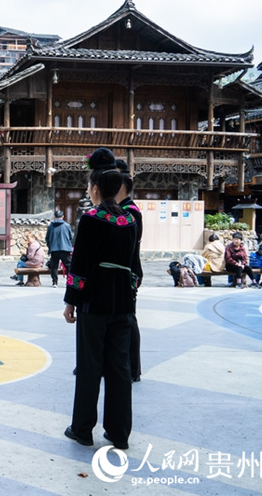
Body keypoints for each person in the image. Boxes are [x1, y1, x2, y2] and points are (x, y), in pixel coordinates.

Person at [63, 147, 141, 451]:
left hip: (94, 301)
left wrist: (71, 301)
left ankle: (82, 429)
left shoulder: (91, 218)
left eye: (88, 185)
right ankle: (119, 433)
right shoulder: (130, 220)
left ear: (95, 187)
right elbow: (134, 266)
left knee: (90, 365)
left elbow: (79, 265)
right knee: (119, 368)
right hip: (123, 302)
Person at [115, 159, 143, 383]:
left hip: (127, 271)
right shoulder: (122, 209)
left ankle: (133, 368)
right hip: (124, 271)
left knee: (128, 320)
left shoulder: (129, 211)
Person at [45, 209, 73, 289]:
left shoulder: (50, 226)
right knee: (68, 265)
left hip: (54, 249)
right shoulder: (67, 225)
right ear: (63, 217)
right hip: (65, 249)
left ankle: (54, 282)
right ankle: (69, 281)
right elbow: (70, 237)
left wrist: (50, 246)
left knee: (54, 266)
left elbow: (47, 238)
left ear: (54, 216)